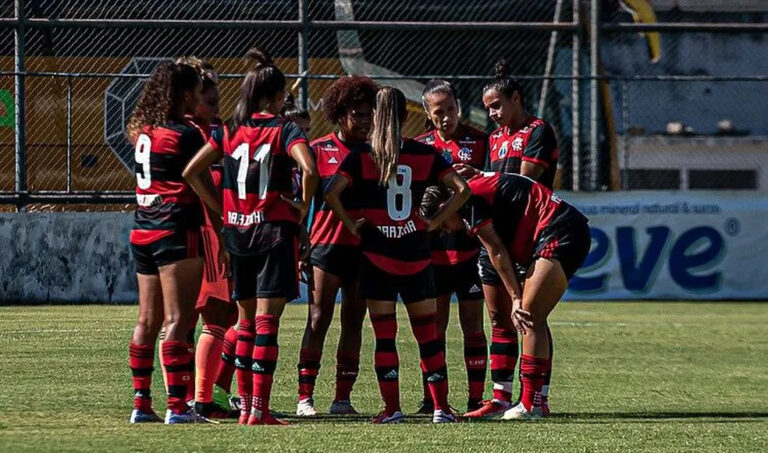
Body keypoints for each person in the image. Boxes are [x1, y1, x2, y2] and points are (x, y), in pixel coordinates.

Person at [183, 46, 318, 425]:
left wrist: (223, 214)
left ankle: (245, 409)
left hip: (238, 235)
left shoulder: (229, 129)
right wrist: (303, 207)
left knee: (243, 324)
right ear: (275, 97)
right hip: (273, 232)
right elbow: (309, 168)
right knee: (266, 324)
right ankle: (258, 408)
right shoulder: (283, 128)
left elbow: (193, 172)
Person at [324, 87, 470, 424]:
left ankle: (392, 409)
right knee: (428, 337)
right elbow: (463, 189)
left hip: (376, 257)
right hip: (416, 255)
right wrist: (433, 221)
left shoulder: (362, 155)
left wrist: (352, 224)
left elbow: (331, 192)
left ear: (375, 116)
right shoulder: (424, 153)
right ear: (407, 116)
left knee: (384, 336)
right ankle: (441, 408)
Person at [421, 169, 590, 419]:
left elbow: (497, 249)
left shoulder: (466, 201)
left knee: (527, 314)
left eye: (443, 223)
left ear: (446, 206)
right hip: (535, 237)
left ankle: (531, 403)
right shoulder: (466, 191)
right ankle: (503, 400)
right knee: (507, 319)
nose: (447, 230)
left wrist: (515, 297)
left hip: (559, 229)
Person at [463, 59, 561, 418]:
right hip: (495, 235)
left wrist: (481, 177)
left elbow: (522, 186)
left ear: (516, 98)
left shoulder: (538, 131)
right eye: (488, 107)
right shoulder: (495, 138)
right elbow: (494, 183)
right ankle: (501, 396)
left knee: (531, 315)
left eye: (497, 105)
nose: (491, 114)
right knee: (499, 318)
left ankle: (537, 397)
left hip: (529, 234)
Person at [125, 61, 211, 424]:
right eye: (196, 91)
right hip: (177, 228)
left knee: (148, 319)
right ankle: (178, 407)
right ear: (184, 93)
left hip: (142, 229)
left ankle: (142, 405)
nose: (199, 97)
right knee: (179, 319)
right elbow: (201, 183)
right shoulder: (186, 133)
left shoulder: (144, 130)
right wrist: (222, 219)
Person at [296, 76, 378, 417]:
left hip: (363, 249)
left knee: (354, 321)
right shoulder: (317, 150)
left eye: (368, 114)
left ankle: (342, 398)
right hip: (326, 247)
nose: (363, 120)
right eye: (357, 114)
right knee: (317, 319)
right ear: (340, 113)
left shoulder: (377, 152)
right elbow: (303, 205)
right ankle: (305, 398)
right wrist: (301, 246)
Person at [414, 79, 488, 414]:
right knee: (434, 327)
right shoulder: (420, 147)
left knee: (473, 325)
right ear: (429, 115)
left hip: (470, 249)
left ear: (459, 107)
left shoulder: (479, 142)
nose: (447, 117)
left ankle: (475, 398)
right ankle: (432, 399)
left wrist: (478, 174)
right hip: (434, 252)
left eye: (451, 109)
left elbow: (492, 187)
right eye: (439, 112)